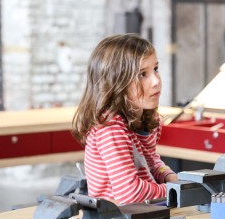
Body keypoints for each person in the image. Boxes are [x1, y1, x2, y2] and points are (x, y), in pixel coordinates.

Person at [72, 34, 178, 204]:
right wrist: (175, 190)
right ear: (116, 83)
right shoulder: (110, 128)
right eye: (143, 74)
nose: (156, 81)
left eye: (155, 69)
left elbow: (148, 161)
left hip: (146, 211)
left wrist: (167, 175)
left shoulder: (147, 117)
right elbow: (130, 194)